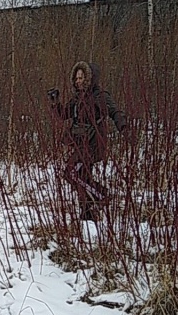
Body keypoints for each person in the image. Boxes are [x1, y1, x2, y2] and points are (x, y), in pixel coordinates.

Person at [48, 61, 127, 221]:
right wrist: (55, 102)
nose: (78, 81)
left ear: (89, 78)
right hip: (80, 143)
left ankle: (102, 195)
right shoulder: (77, 99)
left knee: (70, 172)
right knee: (82, 176)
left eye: (81, 78)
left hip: (94, 144)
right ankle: (87, 214)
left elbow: (114, 111)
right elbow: (63, 115)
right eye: (76, 78)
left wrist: (123, 127)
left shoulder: (100, 96)